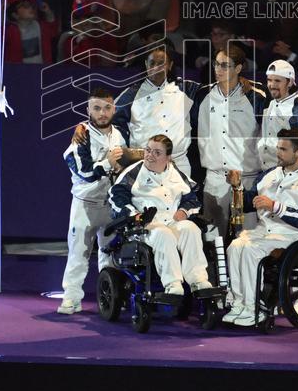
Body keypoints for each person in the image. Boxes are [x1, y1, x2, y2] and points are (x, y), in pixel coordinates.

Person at [223, 128, 298, 326]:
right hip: (264, 232)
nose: (278, 153)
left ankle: (255, 307)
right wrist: (238, 186)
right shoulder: (269, 175)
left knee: (249, 250)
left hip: (291, 237)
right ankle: (240, 304)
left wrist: (276, 207)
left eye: (283, 149)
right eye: (278, 148)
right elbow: (248, 203)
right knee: (235, 246)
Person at [107, 134, 214, 297]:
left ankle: (198, 281)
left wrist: (184, 211)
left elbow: (192, 197)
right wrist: (133, 215)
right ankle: (173, 284)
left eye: (157, 152)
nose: (150, 155)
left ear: (168, 158)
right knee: (164, 234)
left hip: (173, 221)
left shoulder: (175, 173)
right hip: (146, 225)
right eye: (148, 150)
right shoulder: (133, 173)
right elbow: (116, 197)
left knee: (191, 229)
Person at [58, 88, 128, 314]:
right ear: (88, 110)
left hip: (110, 205)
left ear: (114, 109)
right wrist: (108, 163)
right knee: (79, 253)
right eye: (96, 108)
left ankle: (110, 298)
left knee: (111, 254)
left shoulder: (120, 134)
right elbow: (84, 173)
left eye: (107, 107)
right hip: (85, 205)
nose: (102, 113)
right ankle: (71, 298)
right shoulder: (81, 137)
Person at [190, 43, 267, 237]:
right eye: (216, 64)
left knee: (246, 242)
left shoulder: (256, 96)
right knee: (212, 243)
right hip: (214, 180)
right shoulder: (203, 95)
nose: (218, 69)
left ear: (239, 68)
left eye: (225, 65)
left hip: (246, 181)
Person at [106, 47, 199, 175]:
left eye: (161, 63)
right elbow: (106, 119)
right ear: (146, 64)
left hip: (178, 165)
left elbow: (216, 93)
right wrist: (83, 128)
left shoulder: (186, 89)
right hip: (143, 165)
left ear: (170, 65)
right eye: (152, 63)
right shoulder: (132, 94)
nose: (156, 67)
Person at [4, 0, 59, 64]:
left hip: (40, 71)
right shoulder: (10, 30)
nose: (30, 8)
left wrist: (48, 12)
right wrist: (1, 11)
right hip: (18, 73)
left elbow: (53, 31)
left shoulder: (39, 26)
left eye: (32, 5)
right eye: (25, 6)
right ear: (15, 15)